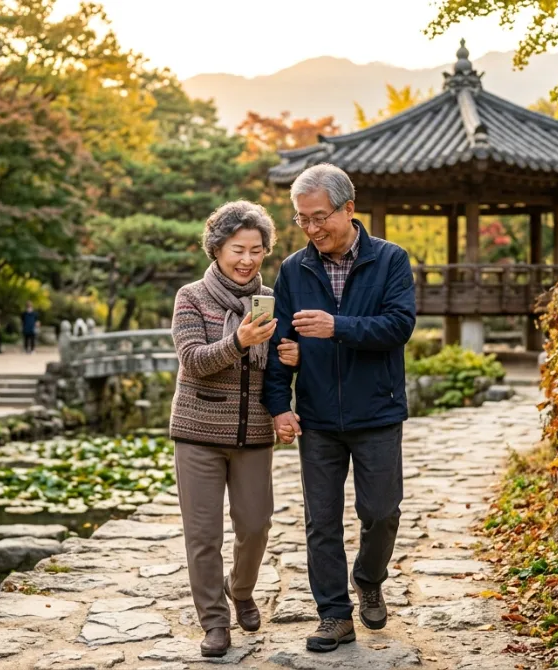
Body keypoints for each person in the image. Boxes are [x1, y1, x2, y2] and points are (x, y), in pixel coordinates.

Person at [261, 164, 416, 653]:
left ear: (349, 208)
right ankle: (333, 614)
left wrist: (337, 327)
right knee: (321, 521)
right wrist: (279, 405)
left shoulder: (391, 259)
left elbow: (399, 326)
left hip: (378, 412)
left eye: (319, 216)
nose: (311, 228)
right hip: (318, 416)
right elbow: (279, 343)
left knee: (381, 512)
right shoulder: (293, 269)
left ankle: (368, 578)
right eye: (302, 219)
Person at [169, 200, 299, 658]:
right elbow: (193, 360)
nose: (247, 260)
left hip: (253, 434)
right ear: (217, 249)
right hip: (198, 432)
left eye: (256, 250)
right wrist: (239, 341)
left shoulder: (273, 301)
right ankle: (214, 622)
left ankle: (240, 589)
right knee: (203, 536)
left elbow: (279, 367)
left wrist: (294, 357)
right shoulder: (191, 297)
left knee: (256, 525)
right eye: (237, 250)